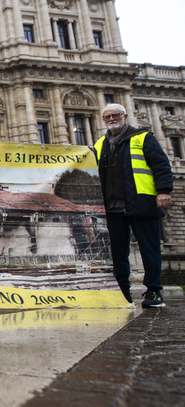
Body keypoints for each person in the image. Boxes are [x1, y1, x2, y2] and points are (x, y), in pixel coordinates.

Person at [93, 103, 173, 308]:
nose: (111, 119)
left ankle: (154, 291)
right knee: (118, 252)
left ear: (125, 116)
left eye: (115, 115)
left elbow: (161, 165)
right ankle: (123, 292)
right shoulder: (100, 144)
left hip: (141, 202)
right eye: (107, 116)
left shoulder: (143, 137)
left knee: (150, 248)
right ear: (103, 120)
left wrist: (164, 191)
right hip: (112, 207)